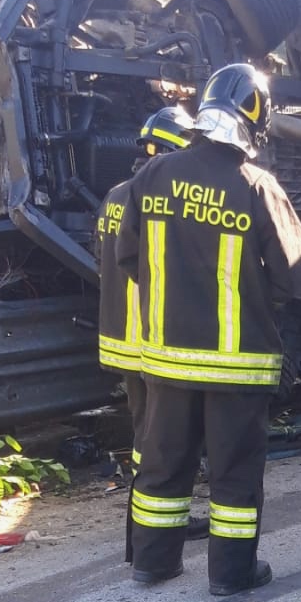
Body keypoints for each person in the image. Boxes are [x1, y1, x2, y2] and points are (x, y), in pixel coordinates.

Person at [116, 62, 301, 594]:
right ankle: (230, 574)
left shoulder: (152, 176)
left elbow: (128, 257)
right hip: (237, 366)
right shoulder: (257, 186)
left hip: (166, 359)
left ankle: (153, 563)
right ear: (254, 120)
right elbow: (292, 277)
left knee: (163, 465)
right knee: (234, 472)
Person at [97, 103, 199, 558]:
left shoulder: (114, 196)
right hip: (153, 340)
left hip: (121, 338)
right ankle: (154, 529)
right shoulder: (163, 200)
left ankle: (141, 528)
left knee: (145, 434)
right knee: (161, 441)